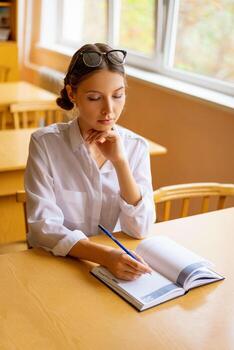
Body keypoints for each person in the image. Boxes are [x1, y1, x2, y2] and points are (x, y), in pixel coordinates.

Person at [25, 43, 156, 281]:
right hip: (57, 266)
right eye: (95, 97)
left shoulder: (135, 147)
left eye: (118, 95)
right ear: (72, 94)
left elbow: (140, 228)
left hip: (116, 270)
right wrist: (104, 255)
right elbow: (42, 228)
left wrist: (120, 162)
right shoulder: (45, 144)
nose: (109, 110)